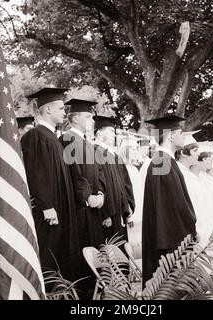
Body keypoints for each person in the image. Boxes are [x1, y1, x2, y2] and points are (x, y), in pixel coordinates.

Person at [21, 87, 81, 283]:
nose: (65, 112)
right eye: (61, 108)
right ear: (47, 110)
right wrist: (46, 206)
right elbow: (35, 173)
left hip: (58, 210)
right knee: (48, 258)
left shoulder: (52, 137)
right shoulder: (36, 136)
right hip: (48, 213)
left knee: (58, 258)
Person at [142, 114, 197, 287]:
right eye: (180, 132)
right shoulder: (162, 162)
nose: (183, 136)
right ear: (171, 136)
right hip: (168, 241)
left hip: (171, 237)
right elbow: (170, 207)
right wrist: (190, 229)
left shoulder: (165, 161)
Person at [60, 98, 106, 299]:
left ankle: (94, 295)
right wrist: (88, 197)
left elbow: (99, 173)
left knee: (94, 257)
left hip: (93, 210)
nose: (92, 120)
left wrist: (101, 194)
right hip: (79, 210)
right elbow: (74, 174)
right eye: (88, 117)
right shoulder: (68, 139)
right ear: (75, 119)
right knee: (80, 258)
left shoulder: (87, 143)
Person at [94, 115, 135, 243]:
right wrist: (104, 214)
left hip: (119, 213)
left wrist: (127, 208)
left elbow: (125, 184)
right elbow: (97, 184)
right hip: (108, 216)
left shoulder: (114, 156)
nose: (114, 135)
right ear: (100, 132)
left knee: (122, 251)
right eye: (111, 131)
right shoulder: (94, 152)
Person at [118, 137, 142, 245]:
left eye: (136, 149)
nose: (135, 152)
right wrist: (128, 213)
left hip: (140, 210)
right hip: (130, 212)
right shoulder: (122, 169)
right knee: (132, 241)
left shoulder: (134, 169)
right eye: (132, 149)